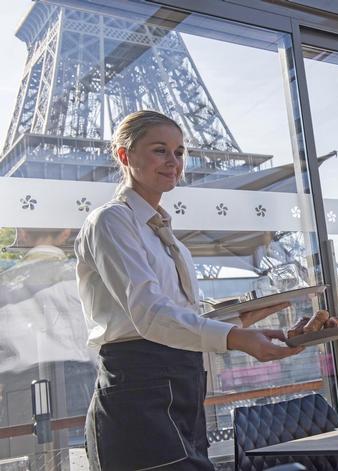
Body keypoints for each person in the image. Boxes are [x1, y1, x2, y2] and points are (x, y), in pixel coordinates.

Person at [75, 110, 304, 470]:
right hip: (138, 387)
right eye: (160, 150)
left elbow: (180, 314)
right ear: (124, 155)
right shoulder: (111, 220)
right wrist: (237, 339)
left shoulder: (172, 241)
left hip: (184, 382)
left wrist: (243, 318)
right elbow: (150, 315)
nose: (174, 161)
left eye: (179, 152)